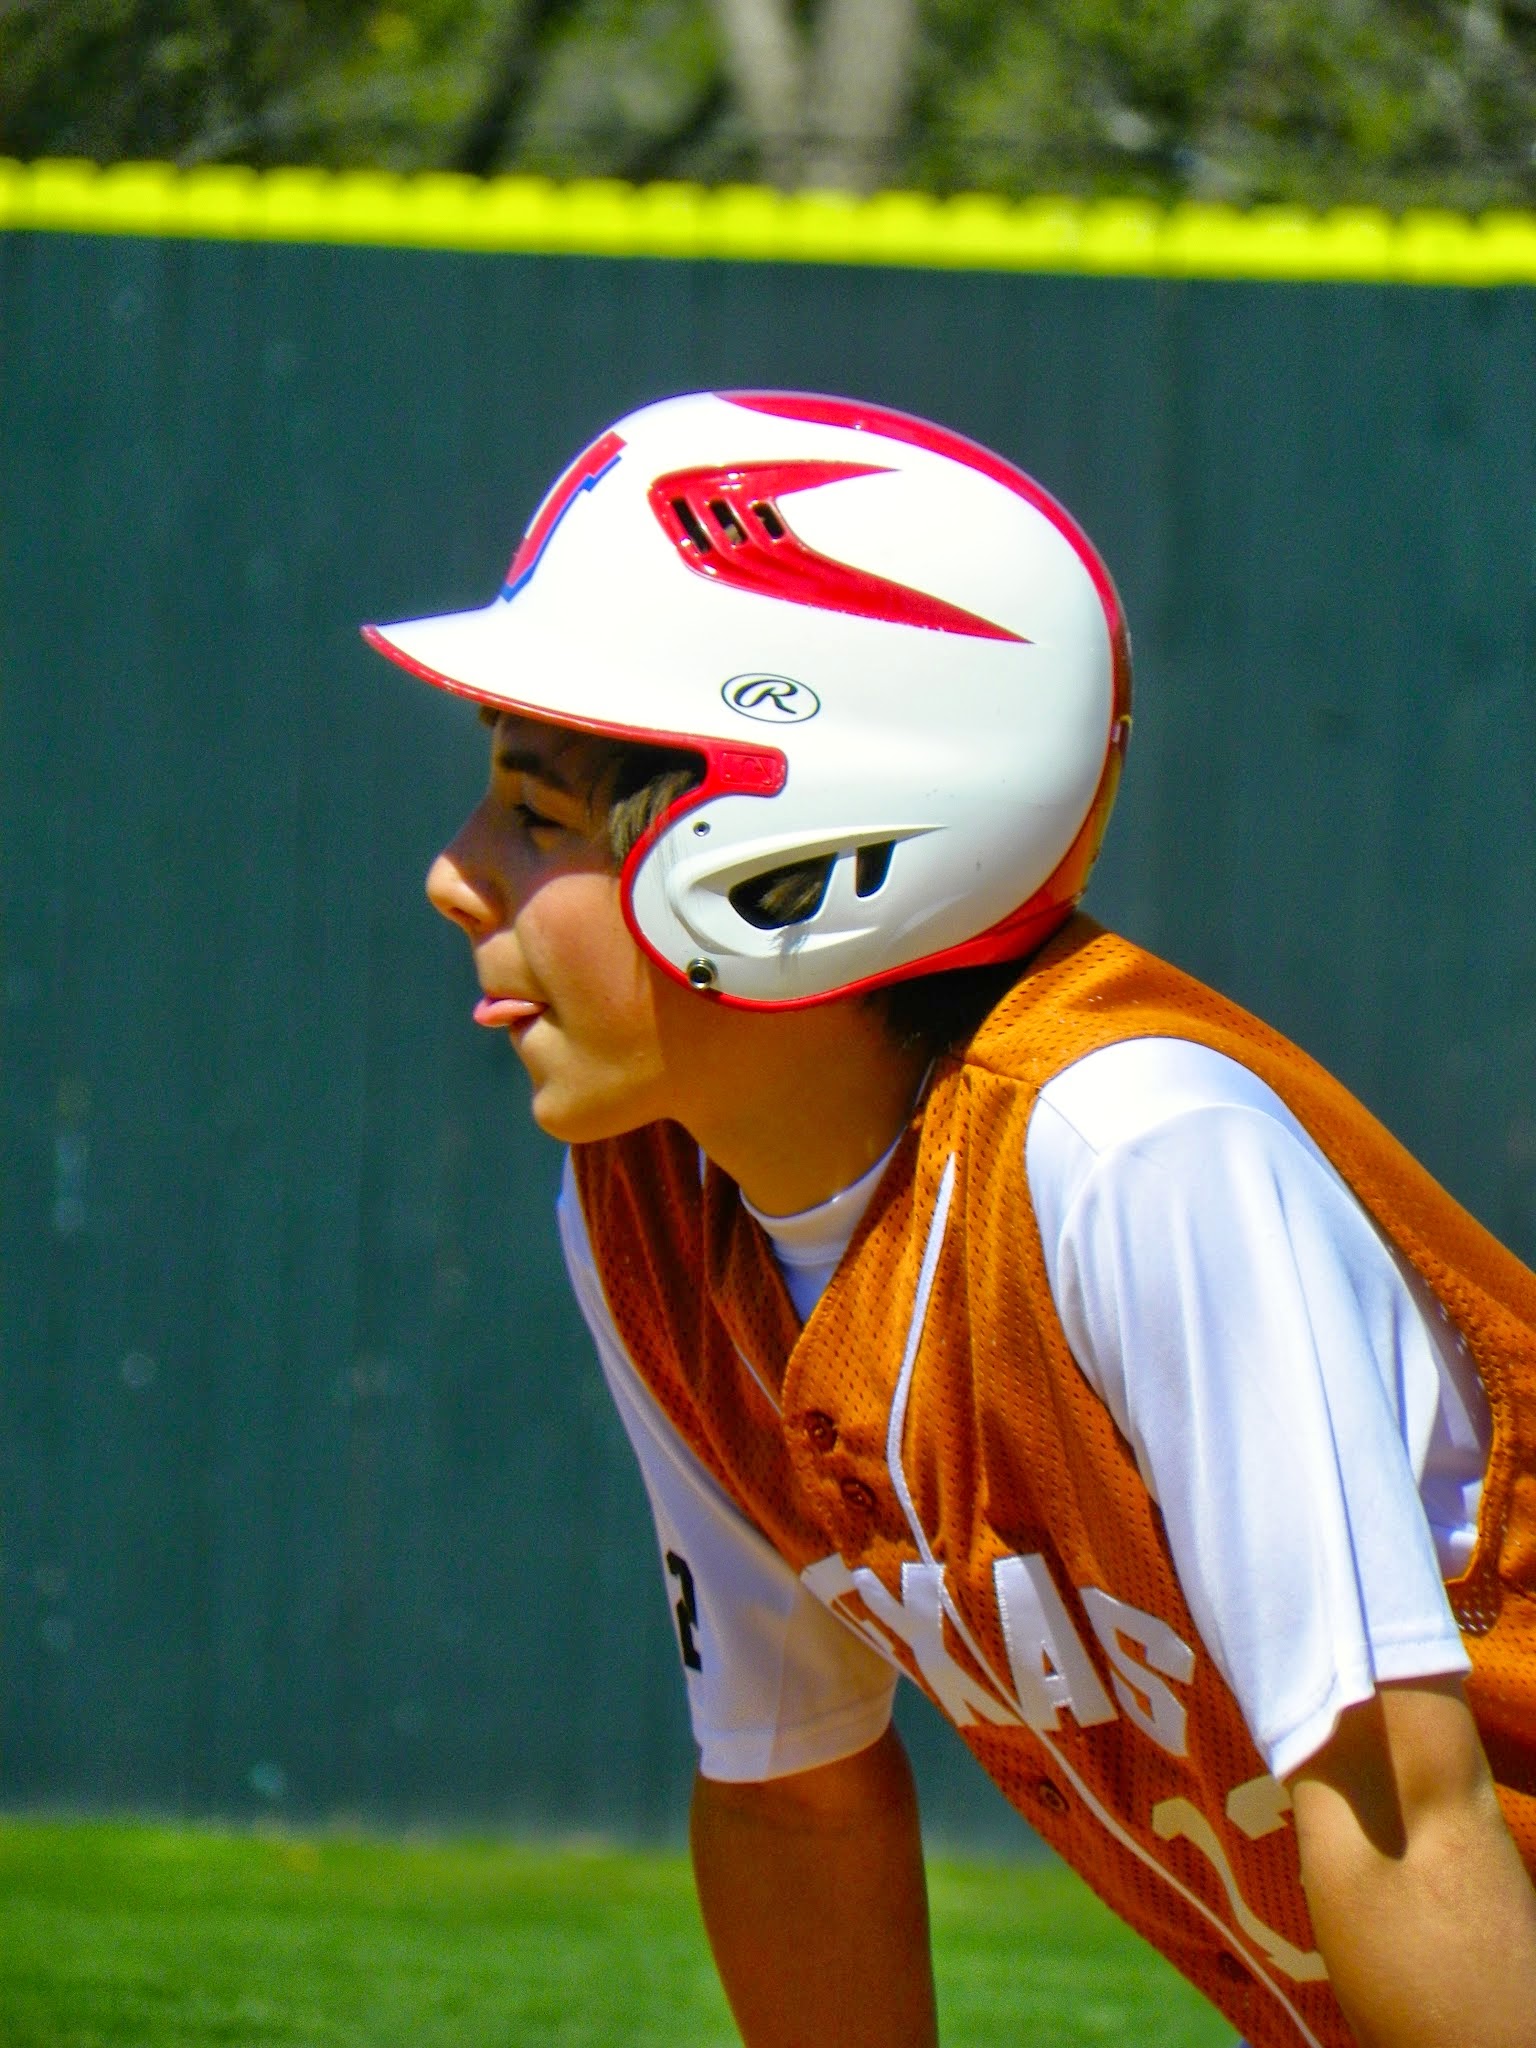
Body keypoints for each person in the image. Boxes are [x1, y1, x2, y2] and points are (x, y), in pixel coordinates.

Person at [365, 389, 1536, 2048]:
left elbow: (1404, 1814)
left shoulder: (1132, 1150)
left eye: (538, 817)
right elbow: (791, 1791)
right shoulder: (650, 1209)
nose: (453, 872)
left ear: (795, 853)